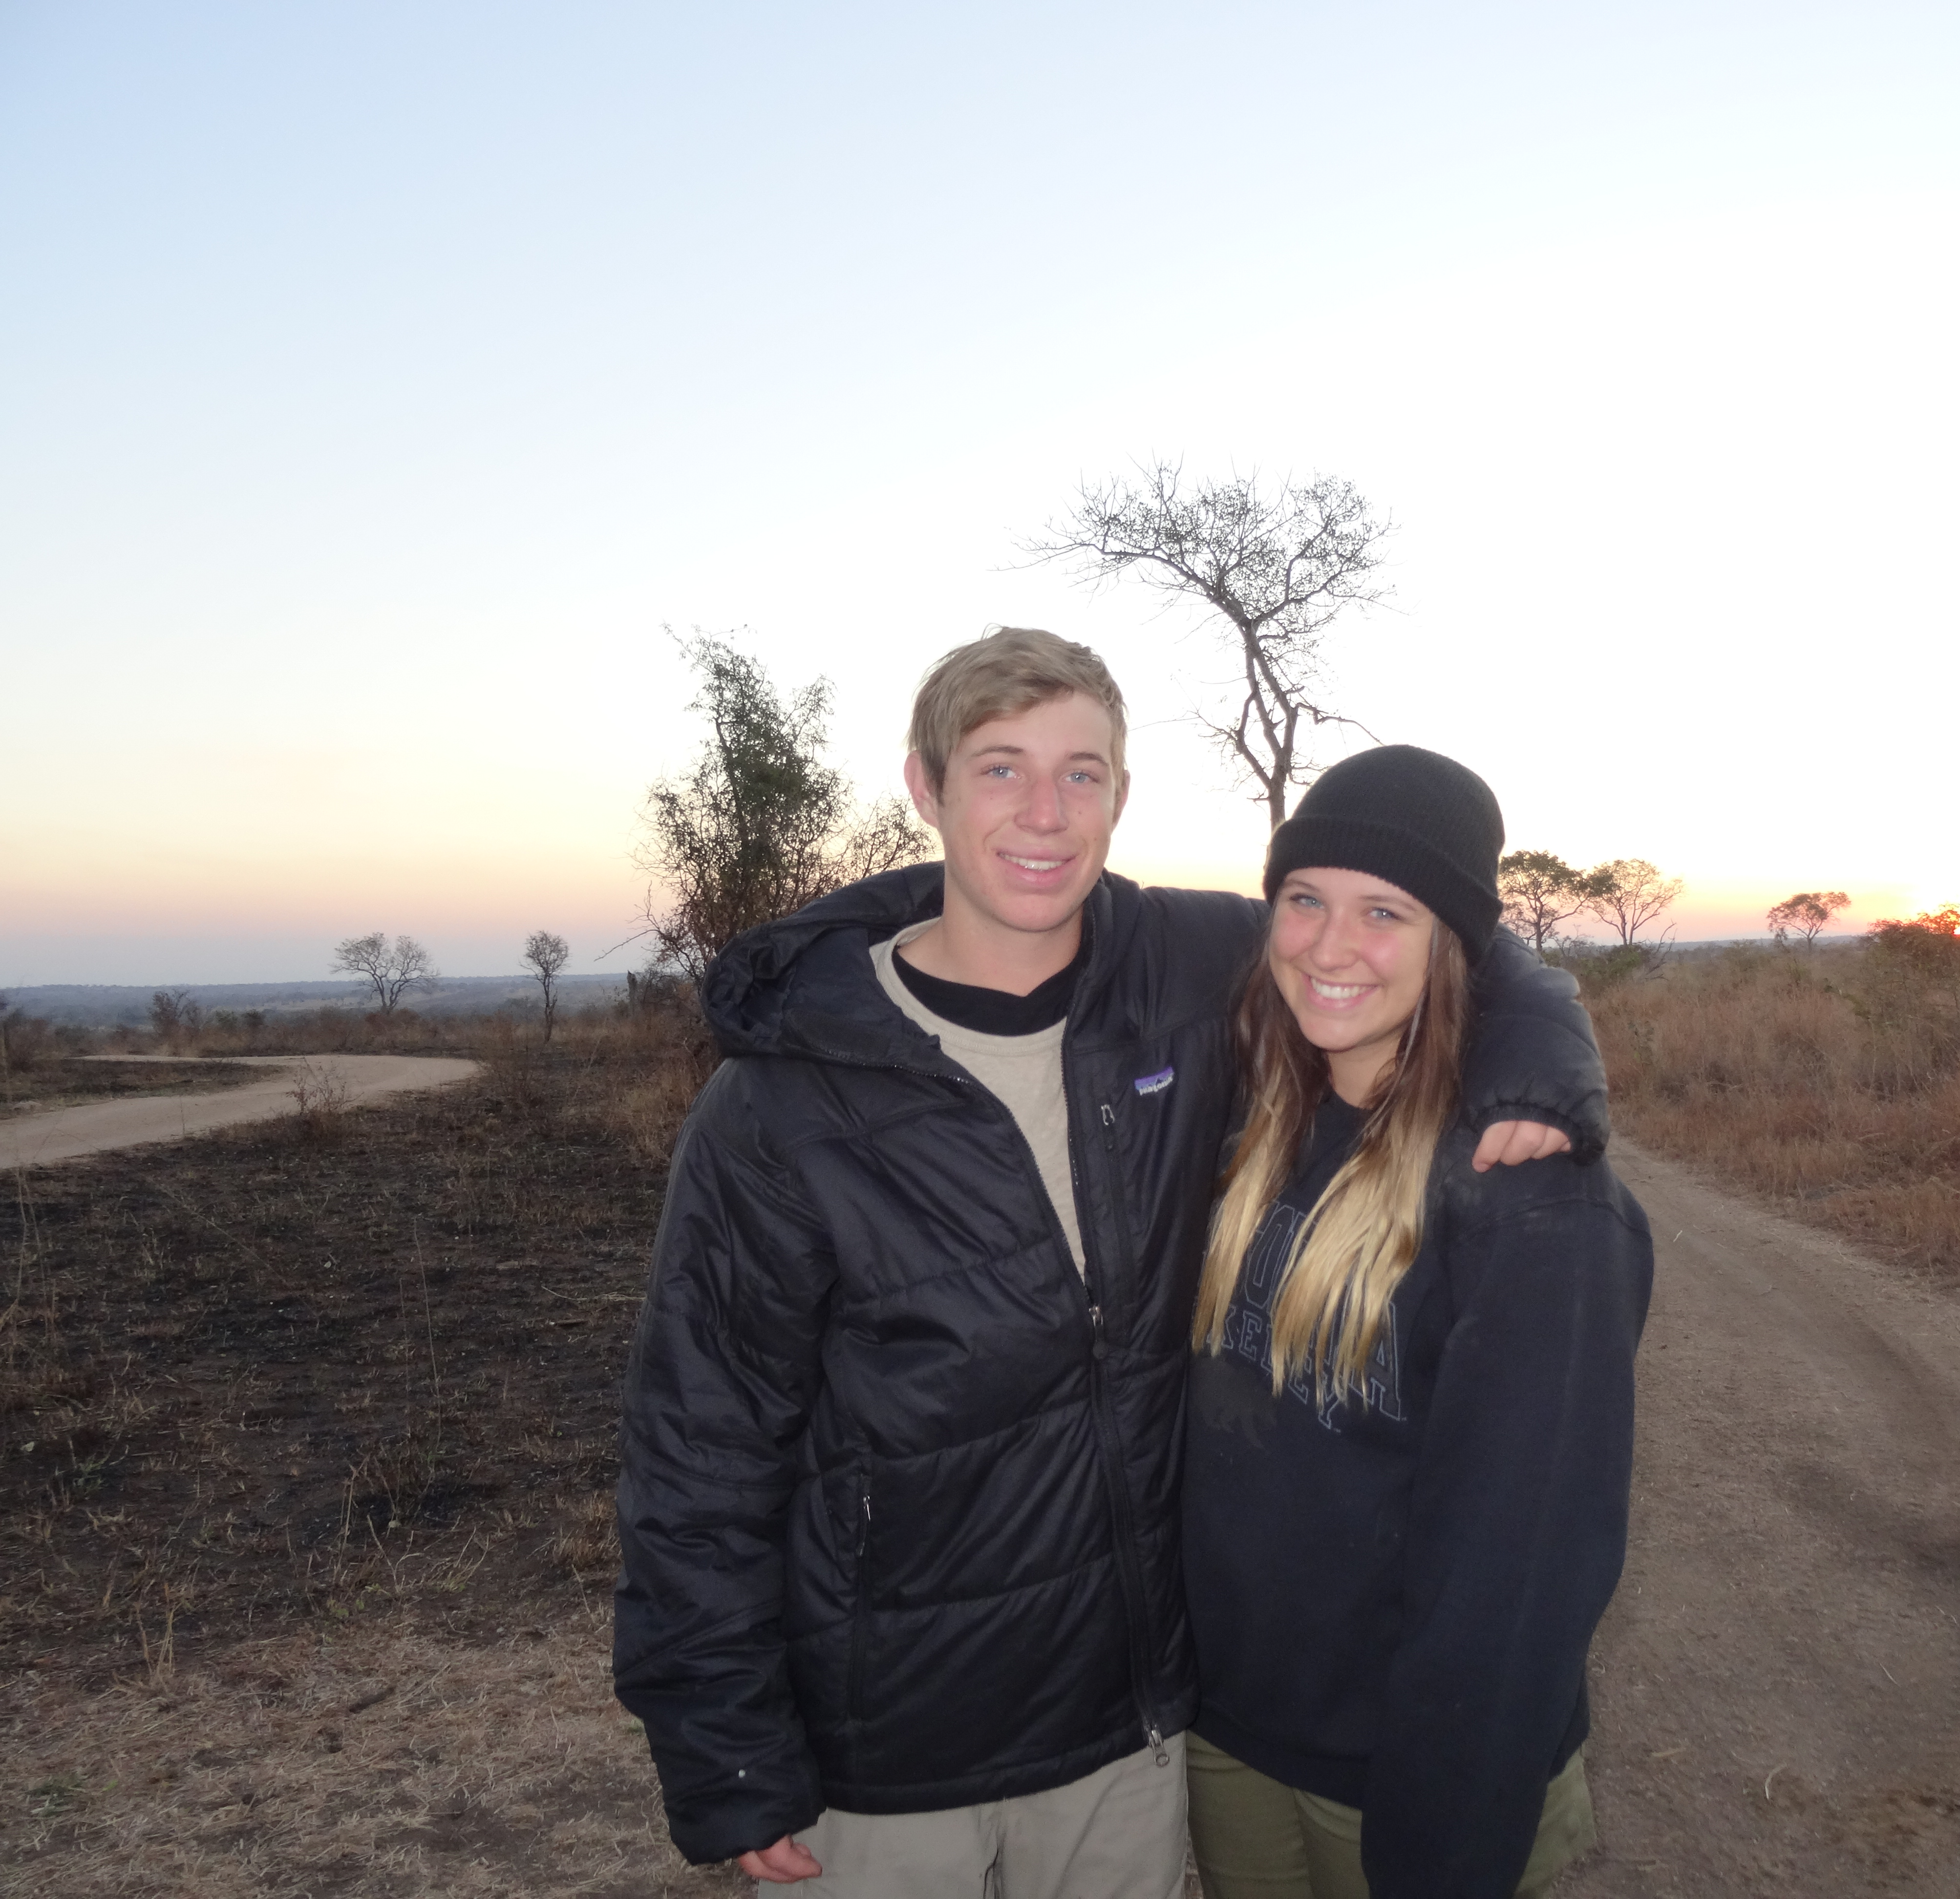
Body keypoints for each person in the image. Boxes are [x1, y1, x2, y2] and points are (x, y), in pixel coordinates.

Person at [613, 629, 1609, 1897]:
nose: (1045, 812)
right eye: (1001, 769)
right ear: (925, 788)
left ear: (1123, 797)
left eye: (1083, 773)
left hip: (1121, 1743)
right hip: (883, 1757)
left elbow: (1441, 932)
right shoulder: (783, 1102)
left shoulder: (1185, 977)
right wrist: (726, 1748)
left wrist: (1539, 1072)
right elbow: (700, 1446)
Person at [1179, 745, 1654, 1899]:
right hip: (1230, 1739)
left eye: (1383, 911)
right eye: (1304, 900)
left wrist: (1444, 1844)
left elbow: (1523, 1566)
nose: (1330, 947)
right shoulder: (1244, 1120)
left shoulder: (1533, 1200)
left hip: (1410, 1773)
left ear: (1456, 942)